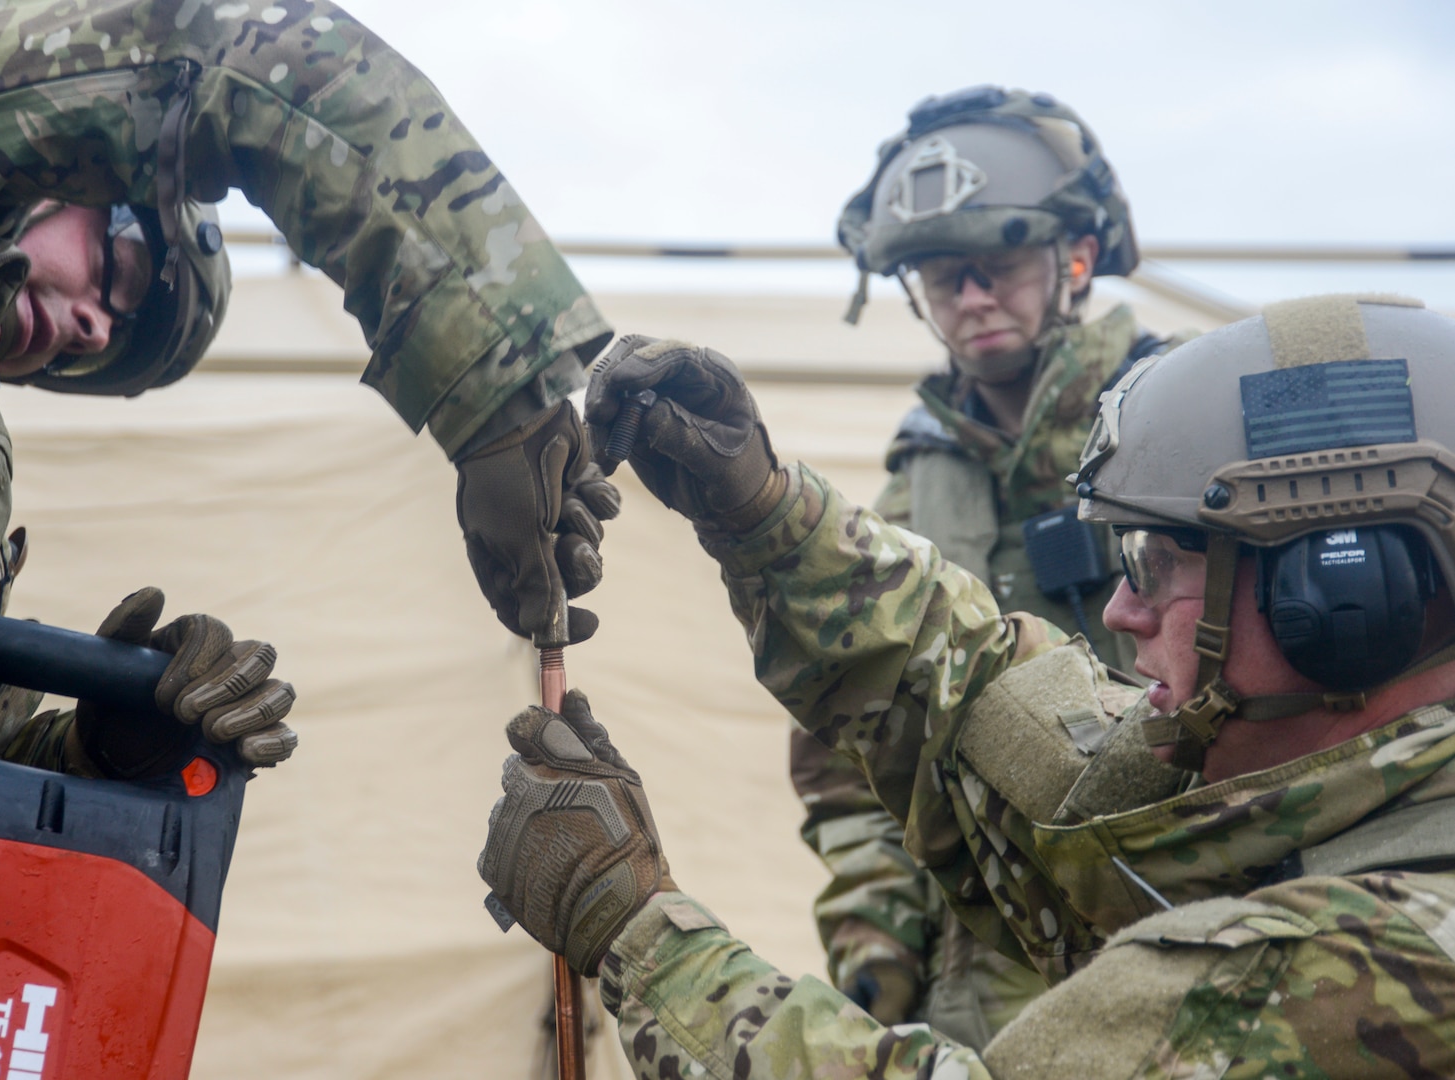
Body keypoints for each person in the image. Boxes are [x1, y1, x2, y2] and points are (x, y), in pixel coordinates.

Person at [481, 296, 1455, 1077]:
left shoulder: (1355, 966)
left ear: (1343, 603)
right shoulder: (1324, 790)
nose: (1119, 611)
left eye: (1159, 567)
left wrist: (642, 939)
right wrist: (762, 513)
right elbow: (993, 712)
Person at [0, 0, 619, 771]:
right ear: (75, 176)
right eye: (115, 272)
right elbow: (233, 52)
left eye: (106, 350)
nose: (94, 329)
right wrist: (500, 394)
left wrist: (103, 746)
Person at [792, 85, 1189, 1041]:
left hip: (1174, 943)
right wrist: (872, 931)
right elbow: (849, 748)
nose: (971, 298)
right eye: (939, 276)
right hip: (970, 982)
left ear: (1075, 258)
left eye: (996, 264)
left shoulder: (1188, 425)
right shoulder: (913, 489)